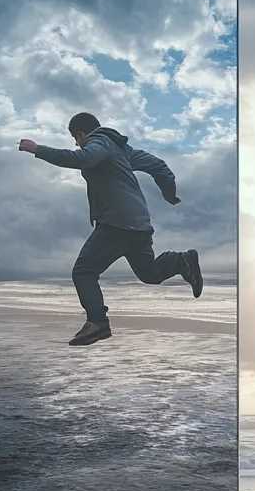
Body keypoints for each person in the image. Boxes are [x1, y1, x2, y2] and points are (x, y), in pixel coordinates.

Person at [18, 112, 202, 346]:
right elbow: (158, 166)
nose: (78, 144)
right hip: (138, 223)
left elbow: (83, 159)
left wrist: (39, 149)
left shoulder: (99, 142)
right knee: (150, 274)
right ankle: (181, 261)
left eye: (76, 139)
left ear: (81, 134)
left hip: (117, 221)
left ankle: (97, 323)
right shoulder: (122, 150)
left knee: (84, 271)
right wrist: (169, 193)